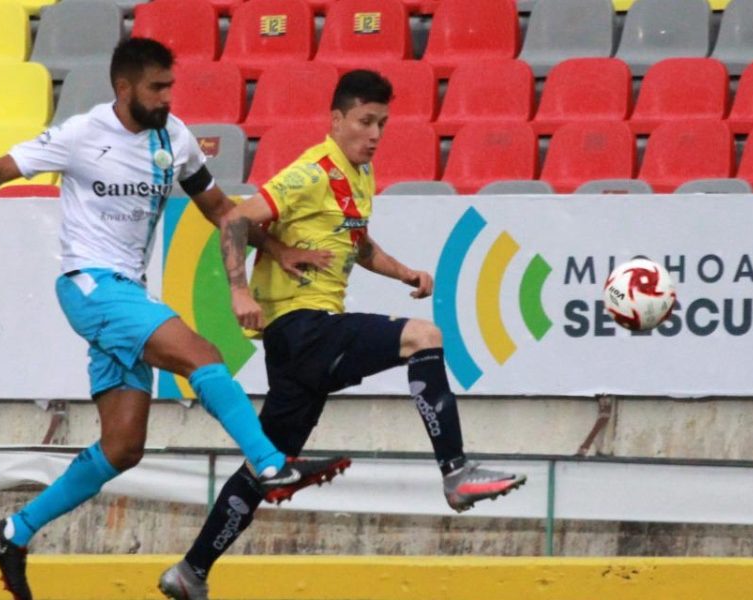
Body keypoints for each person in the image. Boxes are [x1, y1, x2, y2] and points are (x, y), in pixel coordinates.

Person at [0, 38, 351, 600]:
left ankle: (12, 532)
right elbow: (1, 168)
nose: (168, 97)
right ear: (123, 88)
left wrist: (277, 251)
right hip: (90, 286)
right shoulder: (83, 134)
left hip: (126, 293)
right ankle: (271, 466)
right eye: (157, 87)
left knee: (123, 447)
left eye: (170, 86)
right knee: (203, 355)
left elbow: (221, 210)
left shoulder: (172, 137)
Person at [158, 70, 528, 600]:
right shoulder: (313, 170)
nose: (375, 134)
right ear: (337, 121)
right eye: (364, 122)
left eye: (382, 123)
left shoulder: (359, 176)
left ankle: (190, 571)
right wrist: (239, 293)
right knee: (423, 337)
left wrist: (404, 273)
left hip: (297, 346)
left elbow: (358, 244)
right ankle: (455, 471)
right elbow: (236, 219)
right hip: (303, 328)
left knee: (267, 467)